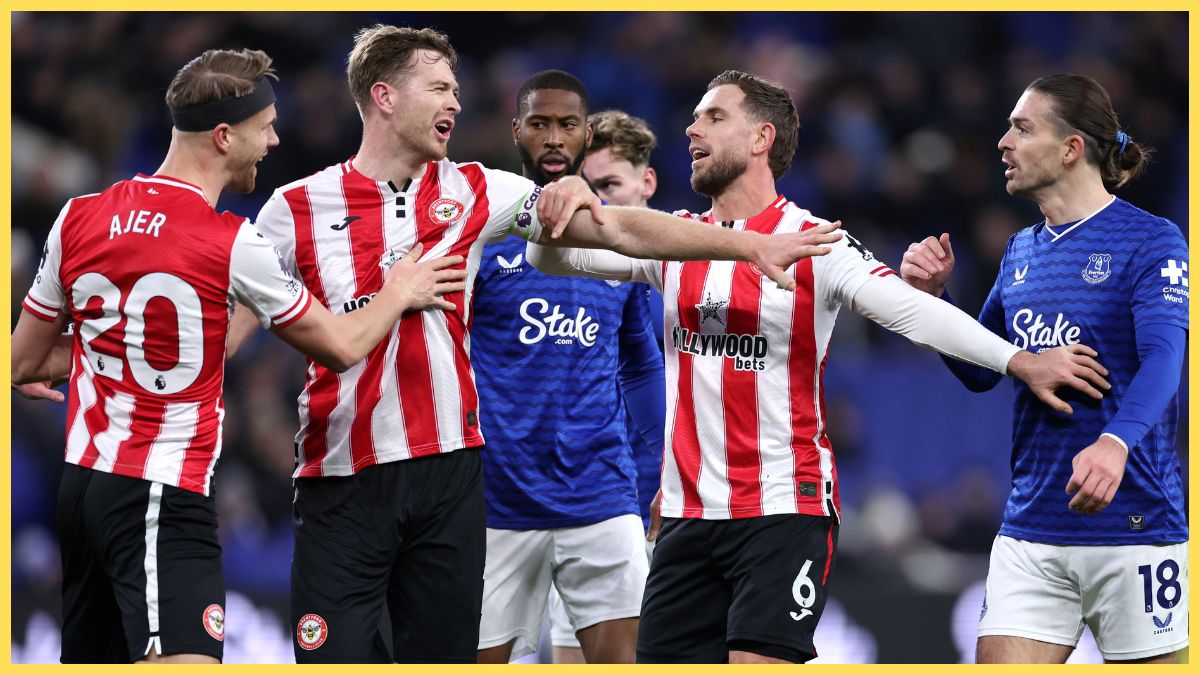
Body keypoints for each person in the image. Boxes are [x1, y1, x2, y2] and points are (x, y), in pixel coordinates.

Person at [238, 26, 842, 664]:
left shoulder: (479, 191)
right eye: (439, 87)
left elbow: (616, 235)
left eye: (457, 89)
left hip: (453, 478)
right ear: (385, 97)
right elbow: (229, 324)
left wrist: (746, 243)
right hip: (345, 476)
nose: (455, 103)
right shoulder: (293, 208)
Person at [527, 69, 1113, 664]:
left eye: (713, 116)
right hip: (685, 517)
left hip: (783, 511)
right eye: (696, 115)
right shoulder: (681, 242)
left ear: (760, 138)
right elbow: (551, 258)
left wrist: (1017, 360)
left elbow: (911, 312)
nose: (691, 127)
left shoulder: (815, 241)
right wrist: (565, 198)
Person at [9, 48, 465, 665]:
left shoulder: (79, 217)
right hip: (161, 491)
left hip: (84, 487)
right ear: (224, 136)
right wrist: (398, 292)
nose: (275, 139)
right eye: (264, 127)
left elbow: (21, 362)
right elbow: (341, 345)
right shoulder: (230, 241)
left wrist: (94, 357)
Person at [899, 74, 1188, 664]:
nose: (1003, 142)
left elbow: (1165, 359)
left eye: (1022, 127)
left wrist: (1114, 443)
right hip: (1032, 527)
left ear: (1071, 148)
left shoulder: (1151, 241)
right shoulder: (1021, 250)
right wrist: (936, 300)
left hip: (1134, 524)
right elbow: (985, 369)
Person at [472, 73, 663, 665]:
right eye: (539, 124)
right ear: (516, 132)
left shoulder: (619, 239)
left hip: (601, 498)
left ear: (586, 134)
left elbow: (640, 366)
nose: (553, 139)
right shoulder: (480, 234)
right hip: (496, 500)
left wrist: (651, 476)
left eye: (567, 125)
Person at [544, 108, 666, 665]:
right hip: (587, 500)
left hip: (676, 501)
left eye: (610, 187)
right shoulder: (565, 268)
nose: (594, 207)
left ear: (648, 183)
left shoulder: (686, 273)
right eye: (584, 189)